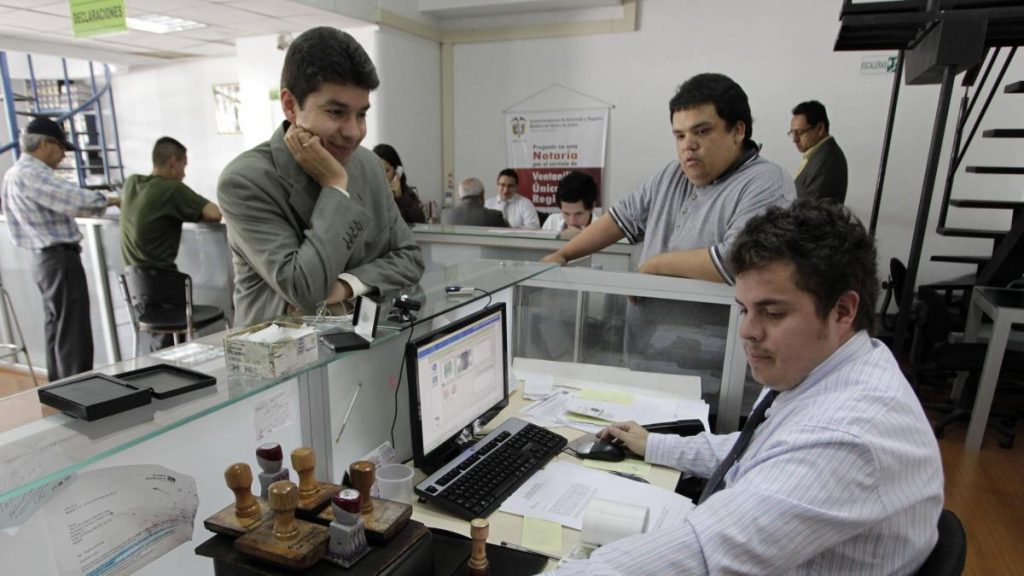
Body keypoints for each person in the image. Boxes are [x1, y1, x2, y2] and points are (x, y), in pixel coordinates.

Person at [552, 200, 943, 575]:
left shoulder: (843, 437)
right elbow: (759, 450)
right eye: (744, 309)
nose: (747, 331)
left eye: (772, 313)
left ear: (842, 311)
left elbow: (704, 555)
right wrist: (655, 445)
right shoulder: (842, 367)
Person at [540, 73, 794, 400]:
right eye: (679, 135)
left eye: (702, 131)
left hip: (717, 383)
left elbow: (738, 260)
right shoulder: (672, 175)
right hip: (649, 365)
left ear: (737, 131)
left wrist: (656, 265)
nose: (688, 145)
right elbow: (620, 217)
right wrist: (564, 255)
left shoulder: (766, 181)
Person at [217, 27, 424, 328]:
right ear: (290, 105)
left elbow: (410, 258)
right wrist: (336, 187)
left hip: (360, 343)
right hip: (279, 349)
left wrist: (345, 286)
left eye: (361, 114)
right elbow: (305, 289)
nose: (354, 132)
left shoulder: (367, 165)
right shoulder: (246, 181)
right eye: (336, 112)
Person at [1, 117, 119, 380]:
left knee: (58, 330)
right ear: (44, 144)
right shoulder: (31, 173)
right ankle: (79, 391)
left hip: (44, 261)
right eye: (61, 147)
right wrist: (117, 199)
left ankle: (59, 389)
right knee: (73, 334)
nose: (64, 155)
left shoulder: (12, 174)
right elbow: (77, 201)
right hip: (59, 260)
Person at [120, 136, 222, 270]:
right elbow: (214, 214)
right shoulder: (172, 189)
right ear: (173, 163)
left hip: (132, 279)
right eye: (184, 165)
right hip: (164, 278)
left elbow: (135, 205)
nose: (184, 174)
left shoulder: (131, 183)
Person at [790, 100, 848, 204]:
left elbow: (809, 209)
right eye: (792, 133)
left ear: (820, 128)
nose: (795, 139)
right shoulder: (818, 155)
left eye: (799, 132)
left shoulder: (827, 160)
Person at [372, 143, 426, 224]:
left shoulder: (406, 193)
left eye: (387, 171)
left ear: (397, 171)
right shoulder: (366, 191)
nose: (382, 175)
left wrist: (400, 197)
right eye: (378, 170)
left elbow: (420, 221)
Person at [541, 170, 602, 239]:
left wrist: (585, 238)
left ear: (592, 207)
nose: (572, 222)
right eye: (566, 213)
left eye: (578, 214)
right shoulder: (552, 222)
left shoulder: (603, 231)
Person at [441, 177, 507, 227]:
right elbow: (508, 238)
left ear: (460, 196)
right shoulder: (495, 216)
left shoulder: (445, 215)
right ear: (482, 195)